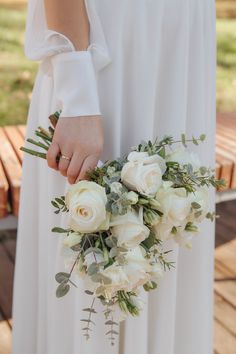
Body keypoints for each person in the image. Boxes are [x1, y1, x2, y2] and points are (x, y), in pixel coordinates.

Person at [12, 1, 216, 353]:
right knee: (93, 265)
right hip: (109, 47)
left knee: (171, 236)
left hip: (179, 50)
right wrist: (77, 94)